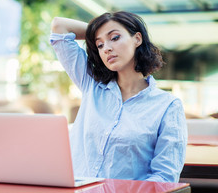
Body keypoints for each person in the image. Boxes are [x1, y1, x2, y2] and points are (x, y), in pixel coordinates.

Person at [49, 11, 187, 182]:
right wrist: (97, 32)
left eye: (114, 38)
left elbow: (164, 176)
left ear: (137, 38)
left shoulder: (167, 106)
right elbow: (59, 26)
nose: (106, 48)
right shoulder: (91, 84)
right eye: (99, 45)